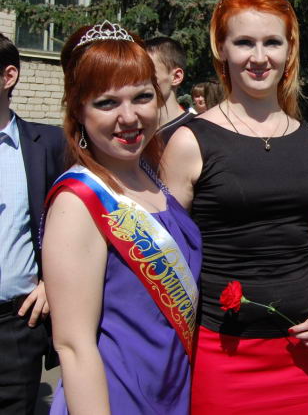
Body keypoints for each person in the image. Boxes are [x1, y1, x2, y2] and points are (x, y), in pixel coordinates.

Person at [161, 0, 308, 414]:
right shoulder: (189, 142)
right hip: (224, 355)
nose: (259, 57)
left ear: (290, 50)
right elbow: (168, 257)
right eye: (244, 42)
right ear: (222, 49)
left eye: (272, 42)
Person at [42, 21, 201, 414]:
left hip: (174, 388)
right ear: (78, 110)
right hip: (116, 397)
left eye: (142, 97)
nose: (129, 117)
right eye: (107, 103)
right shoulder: (78, 200)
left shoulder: (151, 176)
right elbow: (73, 346)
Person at [0, 33, 64, 414]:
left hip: (15, 330)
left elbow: (74, 226)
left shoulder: (49, 145)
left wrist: (52, 283)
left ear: (8, 76)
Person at [144, 36, 194, 144]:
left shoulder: (197, 132)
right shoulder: (137, 134)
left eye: (149, 74)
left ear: (176, 77)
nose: (140, 82)